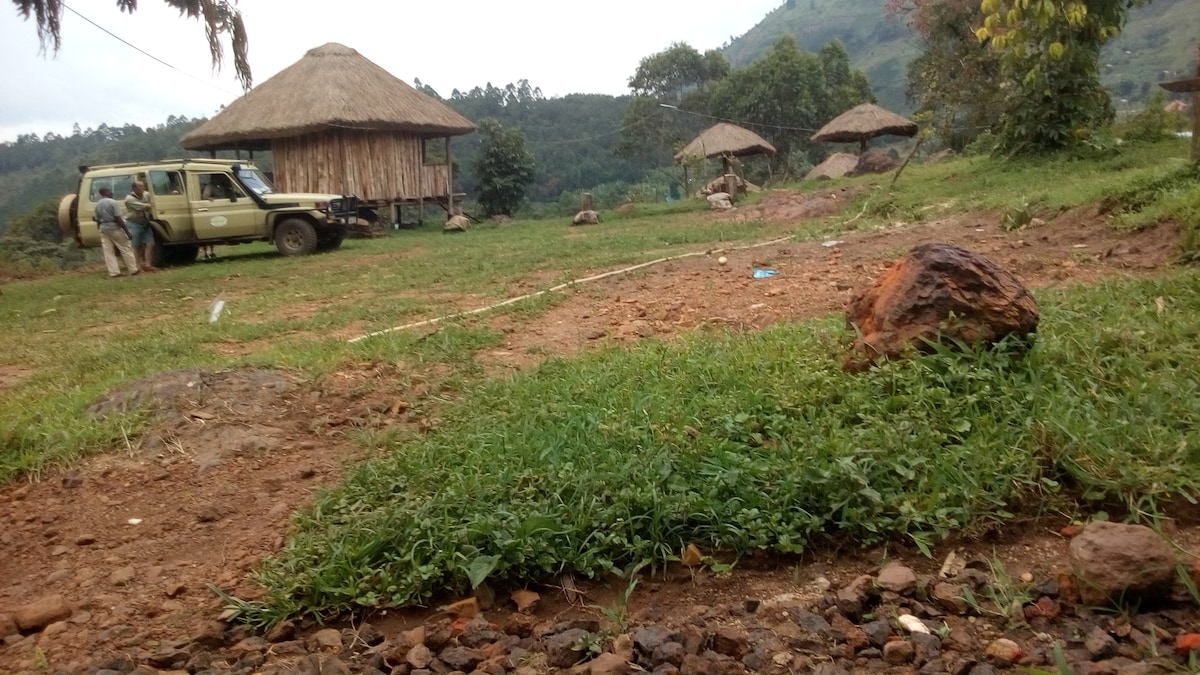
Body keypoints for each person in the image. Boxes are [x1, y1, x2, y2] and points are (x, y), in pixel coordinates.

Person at [94, 186, 139, 277]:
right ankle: (133, 269)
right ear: (105, 192)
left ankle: (114, 272)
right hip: (114, 227)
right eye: (109, 191)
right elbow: (118, 218)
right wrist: (127, 231)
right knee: (125, 247)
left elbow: (98, 219)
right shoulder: (113, 202)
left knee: (108, 251)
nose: (112, 192)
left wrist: (99, 229)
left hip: (103, 228)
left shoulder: (98, 204)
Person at [124, 180, 158, 272]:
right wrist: (151, 205)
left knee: (150, 243)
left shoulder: (146, 194)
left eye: (143, 186)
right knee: (135, 245)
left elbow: (154, 200)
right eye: (140, 186)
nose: (143, 188)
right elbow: (142, 206)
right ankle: (137, 267)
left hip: (145, 222)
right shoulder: (129, 199)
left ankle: (148, 264)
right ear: (134, 188)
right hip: (133, 223)